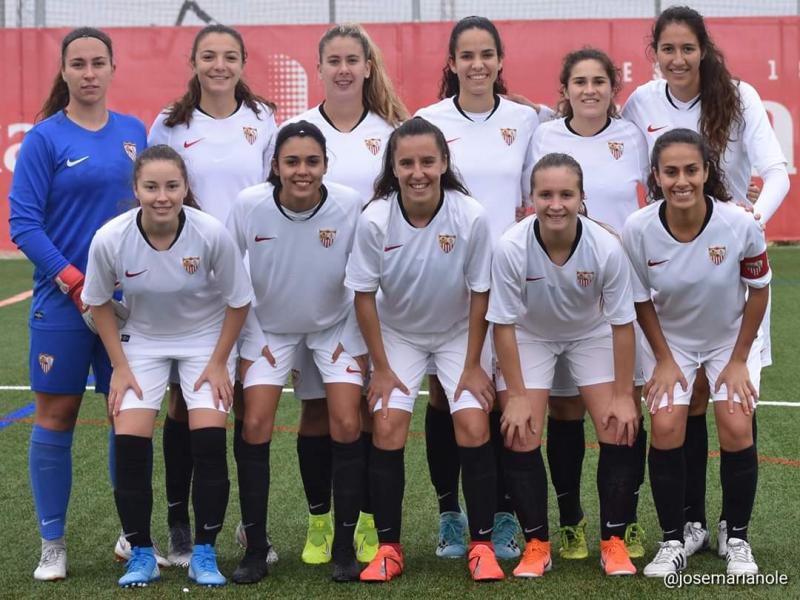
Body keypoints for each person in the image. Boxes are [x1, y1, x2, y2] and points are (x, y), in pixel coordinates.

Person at [621, 5, 788, 557]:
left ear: (703, 49)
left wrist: (748, 229)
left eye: (686, 48)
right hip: (672, 276)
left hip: (729, 276)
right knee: (679, 411)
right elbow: (608, 154)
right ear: (655, 53)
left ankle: (733, 534)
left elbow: (777, 171)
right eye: (666, 48)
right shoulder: (642, 102)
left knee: (735, 412)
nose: (677, 58)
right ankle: (687, 528)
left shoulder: (738, 97)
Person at [8, 27, 147, 582]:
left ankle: (131, 536)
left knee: (128, 417)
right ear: (63, 72)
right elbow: (23, 224)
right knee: (57, 415)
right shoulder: (44, 139)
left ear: (113, 69)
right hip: (64, 304)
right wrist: (74, 282)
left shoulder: (135, 132)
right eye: (78, 64)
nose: (89, 73)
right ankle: (52, 544)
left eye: (98, 63)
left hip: (126, 304)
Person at [82, 144, 252, 588]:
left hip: (204, 341)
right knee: (131, 441)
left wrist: (218, 363)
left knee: (209, 441)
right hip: (142, 341)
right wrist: (118, 365)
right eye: (152, 186)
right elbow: (97, 302)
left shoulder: (210, 233)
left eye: (172, 186)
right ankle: (142, 553)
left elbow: (239, 301)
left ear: (185, 188)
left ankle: (204, 553)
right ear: (136, 189)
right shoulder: (111, 238)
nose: (162, 196)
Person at [347, 117, 504, 583]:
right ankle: (389, 549)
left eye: (427, 162)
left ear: (444, 163)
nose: (418, 172)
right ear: (393, 168)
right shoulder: (375, 219)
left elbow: (481, 293)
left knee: (474, 423)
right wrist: (380, 366)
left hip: (460, 334)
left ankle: (481, 546)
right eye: (407, 163)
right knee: (388, 424)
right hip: (399, 336)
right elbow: (363, 295)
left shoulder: (470, 216)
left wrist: (474, 365)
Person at [276, 22, 407, 566]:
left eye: (354, 59)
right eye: (335, 60)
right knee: (314, 413)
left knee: (365, 416)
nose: (345, 69)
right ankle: (320, 522)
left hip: (367, 300)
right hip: (307, 299)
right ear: (320, 67)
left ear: (368, 66)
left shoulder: (393, 127)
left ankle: (369, 525)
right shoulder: (297, 127)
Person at [147, 23, 278, 568]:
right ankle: (180, 526)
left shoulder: (264, 120)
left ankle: (253, 531)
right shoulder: (171, 124)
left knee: (249, 404)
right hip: (189, 285)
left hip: (251, 282)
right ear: (194, 62)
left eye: (229, 56)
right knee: (184, 402)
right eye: (208, 56)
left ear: (243, 62)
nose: (219, 65)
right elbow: (157, 194)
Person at [414, 15, 540, 560]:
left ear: (500, 60)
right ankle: (451, 516)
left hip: (511, 275)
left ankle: (505, 515)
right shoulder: (428, 120)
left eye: (486, 54)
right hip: (447, 277)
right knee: (447, 395)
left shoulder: (527, 119)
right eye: (466, 55)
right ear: (451, 63)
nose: (477, 64)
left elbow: (540, 190)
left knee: (503, 393)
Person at [622, 128, 770, 577]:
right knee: (666, 425)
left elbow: (759, 292)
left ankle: (737, 536)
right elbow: (639, 299)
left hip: (731, 339)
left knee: (735, 419)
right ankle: (675, 539)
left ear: (707, 171)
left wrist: (740, 360)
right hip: (671, 342)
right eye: (670, 172)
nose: (681, 180)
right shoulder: (639, 228)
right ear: (656, 176)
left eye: (691, 169)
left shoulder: (739, 224)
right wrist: (664, 360)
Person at [227, 121, 367, 583]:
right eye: (292, 162)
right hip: (270, 328)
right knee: (254, 422)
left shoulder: (349, 204)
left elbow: (365, 276)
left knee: (347, 421)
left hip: (335, 326)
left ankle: (343, 547)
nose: (302, 171)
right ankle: (256, 547)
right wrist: (244, 340)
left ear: (326, 165)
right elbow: (230, 276)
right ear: (275, 166)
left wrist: (360, 340)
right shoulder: (250, 205)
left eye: (312, 161)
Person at [489, 152, 640, 578]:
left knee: (619, 426)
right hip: (529, 336)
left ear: (582, 198)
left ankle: (613, 541)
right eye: (546, 194)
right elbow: (502, 324)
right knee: (520, 432)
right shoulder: (511, 247)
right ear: (530, 198)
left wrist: (625, 395)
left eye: (566, 194)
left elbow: (622, 324)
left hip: (590, 334)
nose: (556, 204)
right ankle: (537, 545)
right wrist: (516, 396)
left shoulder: (606, 247)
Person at [529, 47, 650, 561]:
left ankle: (624, 523)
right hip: (561, 291)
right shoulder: (545, 136)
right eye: (579, 81)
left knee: (627, 408)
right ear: (566, 88)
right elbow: (531, 204)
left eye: (599, 81)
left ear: (613, 88)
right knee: (564, 408)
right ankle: (573, 519)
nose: (589, 90)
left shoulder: (632, 137)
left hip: (624, 289)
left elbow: (658, 194)